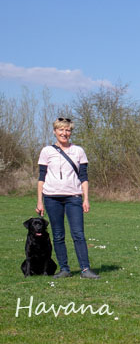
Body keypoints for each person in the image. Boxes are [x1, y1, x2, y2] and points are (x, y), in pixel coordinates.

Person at [35, 117, 98, 279]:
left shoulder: (78, 151)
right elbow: (41, 178)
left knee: (78, 234)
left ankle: (85, 269)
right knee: (58, 234)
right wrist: (40, 201)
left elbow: (84, 177)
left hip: (73, 198)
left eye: (68, 130)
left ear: (71, 132)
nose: (65, 133)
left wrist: (86, 198)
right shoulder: (46, 151)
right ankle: (64, 269)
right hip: (51, 198)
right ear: (55, 131)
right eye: (61, 130)